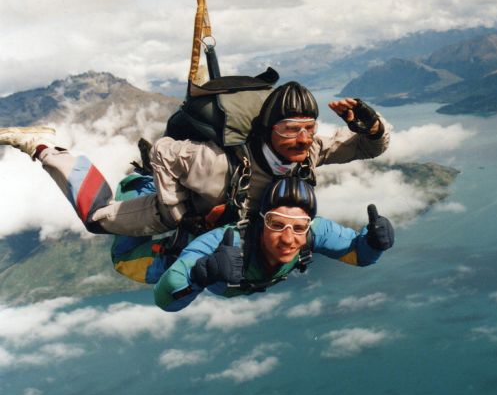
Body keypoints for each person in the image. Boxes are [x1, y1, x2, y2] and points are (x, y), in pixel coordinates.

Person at [0, 81, 390, 237]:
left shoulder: (311, 152)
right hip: (185, 203)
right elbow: (164, 152)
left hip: (221, 214)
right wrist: (177, 214)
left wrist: (372, 127)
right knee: (97, 221)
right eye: (290, 128)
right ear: (269, 129)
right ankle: (44, 147)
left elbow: (369, 147)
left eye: (309, 127)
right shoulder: (216, 162)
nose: (303, 139)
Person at [153, 176, 395, 312]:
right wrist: (200, 272)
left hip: (242, 285)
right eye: (276, 224)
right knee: (125, 262)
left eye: (299, 227)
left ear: (309, 225)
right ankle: (140, 185)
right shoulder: (226, 241)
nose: (289, 239)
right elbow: (165, 300)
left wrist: (374, 242)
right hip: (169, 258)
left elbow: (359, 253)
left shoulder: (316, 232)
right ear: (260, 222)